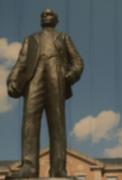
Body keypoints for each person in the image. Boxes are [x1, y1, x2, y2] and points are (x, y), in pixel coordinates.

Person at [6, 9, 84, 178]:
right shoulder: (31, 39)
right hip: (34, 80)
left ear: (56, 20)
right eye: (44, 14)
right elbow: (21, 62)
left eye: (50, 14)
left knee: (57, 124)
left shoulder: (63, 37)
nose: (46, 15)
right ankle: (29, 166)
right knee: (29, 122)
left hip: (56, 79)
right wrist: (12, 79)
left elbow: (77, 62)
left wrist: (67, 77)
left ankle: (58, 168)